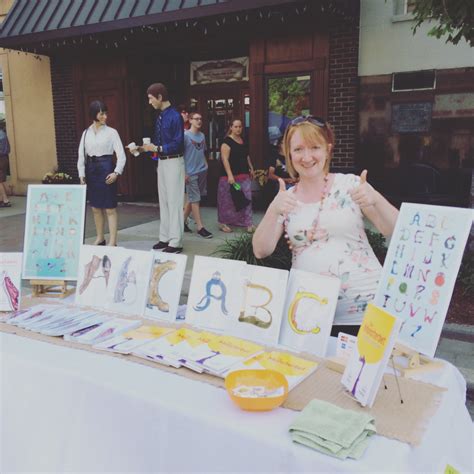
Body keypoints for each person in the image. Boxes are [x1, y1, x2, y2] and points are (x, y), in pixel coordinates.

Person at [253, 116, 399, 336]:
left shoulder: (350, 184)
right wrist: (274, 209)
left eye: (315, 147)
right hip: (309, 314)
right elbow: (260, 250)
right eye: (298, 149)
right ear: (289, 154)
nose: (307, 157)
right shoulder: (286, 199)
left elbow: (394, 229)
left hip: (365, 311)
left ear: (328, 149)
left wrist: (376, 198)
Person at [139, 83, 185, 254]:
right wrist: (143, 148)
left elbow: (178, 143)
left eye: (151, 98)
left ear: (159, 97)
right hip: (163, 161)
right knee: (164, 201)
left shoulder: (175, 116)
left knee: (174, 202)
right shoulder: (160, 116)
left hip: (174, 161)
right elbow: (160, 144)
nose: (149, 102)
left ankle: (176, 241)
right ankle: (165, 237)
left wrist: (157, 148)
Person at [77, 100, 126, 246]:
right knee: (95, 208)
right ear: (94, 115)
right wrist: (81, 174)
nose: (105, 116)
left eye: (105, 113)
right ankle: (100, 238)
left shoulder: (112, 132)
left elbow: (121, 155)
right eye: (101, 114)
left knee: (110, 207)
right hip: (91, 170)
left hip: (106, 168)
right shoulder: (86, 133)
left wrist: (116, 172)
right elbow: (81, 155)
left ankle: (113, 241)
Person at [217, 118, 255, 233]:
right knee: (227, 200)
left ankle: (248, 222)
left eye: (240, 127)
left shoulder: (243, 140)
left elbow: (246, 156)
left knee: (247, 198)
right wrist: (230, 175)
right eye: (236, 127)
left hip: (244, 174)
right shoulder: (226, 142)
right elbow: (225, 159)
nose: (238, 129)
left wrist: (251, 168)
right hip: (229, 176)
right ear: (231, 128)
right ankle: (223, 223)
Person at [183, 112, 213, 239]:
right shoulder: (185, 136)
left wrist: (206, 165)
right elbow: (181, 156)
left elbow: (202, 152)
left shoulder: (202, 136)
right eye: (196, 119)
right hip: (190, 173)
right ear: (190, 120)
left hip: (201, 170)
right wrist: (184, 172)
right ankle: (200, 227)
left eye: (200, 119)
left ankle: (181, 222)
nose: (199, 121)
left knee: (192, 198)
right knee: (195, 199)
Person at [0, 121, 11, 208]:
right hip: (4, 158)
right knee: (1, 180)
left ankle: (5, 200)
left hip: (1, 158)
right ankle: (2, 199)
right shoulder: (3, 134)